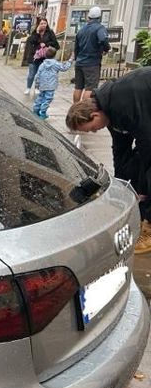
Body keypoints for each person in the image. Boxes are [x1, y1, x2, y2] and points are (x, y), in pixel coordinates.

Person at [65, 66, 151, 253]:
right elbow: (121, 152)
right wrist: (124, 189)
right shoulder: (108, 110)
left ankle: (150, 227)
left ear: (94, 115)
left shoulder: (124, 105)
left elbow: (148, 152)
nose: (95, 131)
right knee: (134, 167)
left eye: (93, 128)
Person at [72, 6, 111, 103]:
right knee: (90, 88)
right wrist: (106, 49)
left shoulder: (82, 29)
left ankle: (75, 107)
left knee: (78, 86)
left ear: (89, 17)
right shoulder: (100, 28)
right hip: (92, 63)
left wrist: (77, 58)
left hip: (80, 62)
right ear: (99, 17)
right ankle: (84, 109)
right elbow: (103, 39)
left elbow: (76, 47)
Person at [31, 47, 72, 119]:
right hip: (51, 85)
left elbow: (38, 74)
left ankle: (35, 110)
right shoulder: (56, 64)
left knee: (40, 97)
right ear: (54, 55)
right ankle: (42, 112)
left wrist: (37, 84)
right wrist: (70, 61)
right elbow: (64, 68)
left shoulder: (42, 64)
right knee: (48, 99)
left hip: (42, 84)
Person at [24, 17, 59, 94]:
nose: (43, 25)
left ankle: (37, 87)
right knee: (31, 74)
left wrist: (46, 44)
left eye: (45, 23)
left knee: (40, 74)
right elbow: (31, 41)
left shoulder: (50, 33)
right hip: (34, 56)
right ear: (38, 24)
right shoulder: (35, 32)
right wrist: (37, 32)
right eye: (41, 24)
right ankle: (28, 87)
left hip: (44, 57)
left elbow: (56, 44)